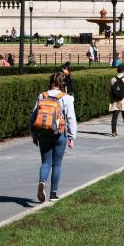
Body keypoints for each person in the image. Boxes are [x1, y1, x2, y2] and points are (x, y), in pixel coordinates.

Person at [32, 71, 77, 203]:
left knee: (46, 162)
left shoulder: (42, 95)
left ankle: (42, 182)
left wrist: (34, 134)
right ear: (62, 83)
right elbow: (71, 119)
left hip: (43, 133)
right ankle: (53, 194)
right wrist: (71, 137)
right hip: (59, 134)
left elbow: (33, 116)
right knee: (57, 164)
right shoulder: (66, 98)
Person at [109, 65, 124, 137]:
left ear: (117, 70)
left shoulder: (113, 79)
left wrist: (111, 98)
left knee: (114, 116)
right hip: (123, 99)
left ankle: (114, 132)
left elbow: (110, 90)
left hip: (115, 99)